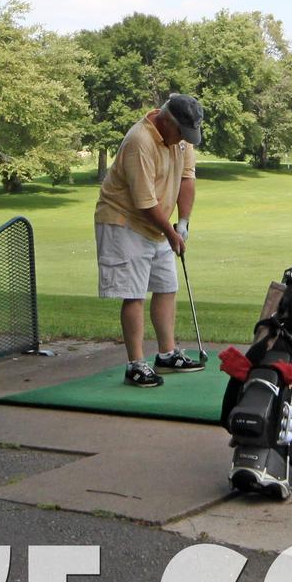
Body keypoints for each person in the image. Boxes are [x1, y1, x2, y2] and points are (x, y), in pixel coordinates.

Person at [94, 92, 206, 387]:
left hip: (157, 222)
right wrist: (170, 233)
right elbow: (144, 201)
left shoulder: (181, 139)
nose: (184, 139)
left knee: (166, 286)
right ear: (166, 121)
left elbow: (187, 178)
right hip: (124, 221)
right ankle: (135, 364)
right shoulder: (139, 141)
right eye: (182, 133)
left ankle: (166, 354)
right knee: (134, 293)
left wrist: (183, 222)